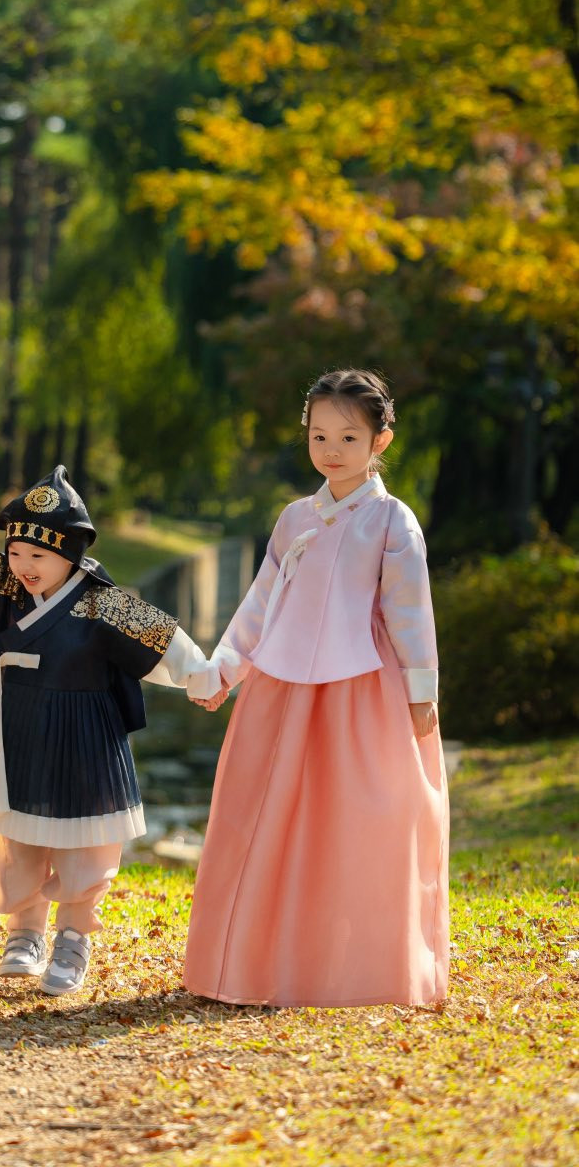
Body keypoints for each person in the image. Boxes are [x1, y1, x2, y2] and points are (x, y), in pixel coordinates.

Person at [183, 367, 449, 1008]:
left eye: (349, 438)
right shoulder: (295, 516)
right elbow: (262, 601)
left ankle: (361, 968)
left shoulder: (391, 521)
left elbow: (410, 611)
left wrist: (420, 693)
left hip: (362, 691)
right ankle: (255, 963)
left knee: (362, 820)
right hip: (281, 691)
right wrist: (224, 668)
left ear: (381, 441)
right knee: (268, 818)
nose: (332, 451)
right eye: (320, 435)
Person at [0, 465, 215, 997]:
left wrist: (203, 677)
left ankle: (74, 936)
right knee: (14, 837)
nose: (24, 566)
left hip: (84, 741)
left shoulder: (103, 603)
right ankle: (24, 932)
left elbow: (163, 638)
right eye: (16, 553)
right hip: (14, 736)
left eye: (39, 556)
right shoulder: (0, 589)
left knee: (85, 843)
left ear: (71, 555)